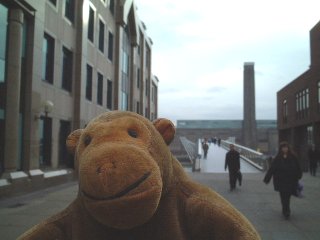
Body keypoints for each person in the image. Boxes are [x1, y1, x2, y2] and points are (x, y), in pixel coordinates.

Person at [263, 141, 302, 220]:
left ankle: (286, 210)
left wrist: (299, 175)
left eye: (286, 147)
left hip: (290, 180)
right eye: (283, 148)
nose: (285, 149)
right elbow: (272, 169)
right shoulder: (278, 158)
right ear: (281, 149)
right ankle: (285, 210)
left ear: (288, 148)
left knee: (287, 196)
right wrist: (267, 178)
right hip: (280, 181)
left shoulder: (293, 157)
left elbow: (298, 167)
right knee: (283, 196)